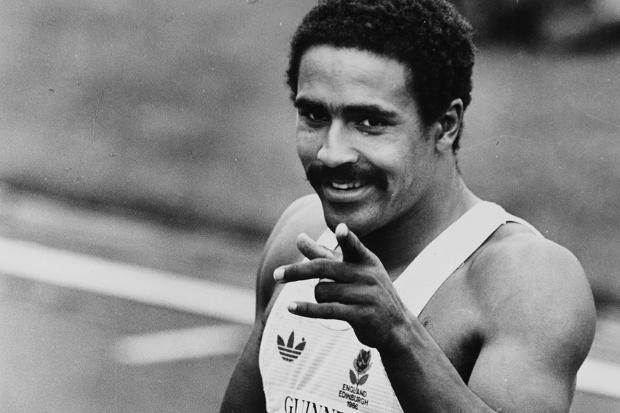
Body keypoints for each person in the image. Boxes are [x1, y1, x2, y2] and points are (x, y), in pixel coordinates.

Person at [220, 0, 596, 411]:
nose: (331, 153)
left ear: (446, 125)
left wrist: (398, 335)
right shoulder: (297, 237)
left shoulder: (524, 282)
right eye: (313, 115)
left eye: (370, 122)